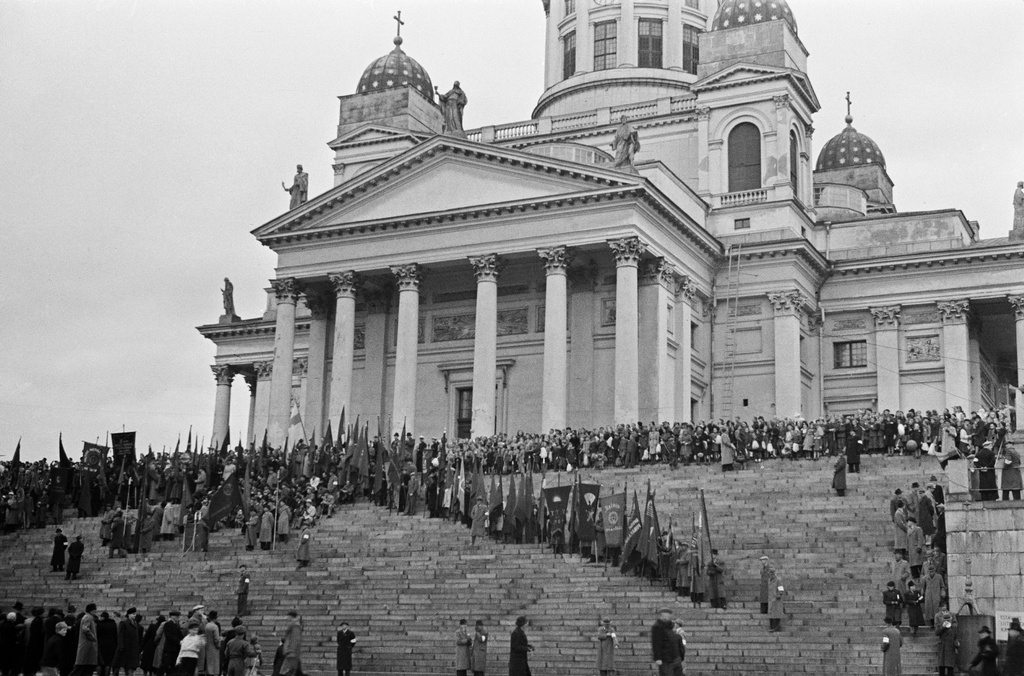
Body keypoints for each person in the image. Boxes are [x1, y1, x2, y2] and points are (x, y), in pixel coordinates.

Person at [650, 608, 682, 676]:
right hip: (665, 659)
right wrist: (658, 658)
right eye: (664, 616)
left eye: (667, 616)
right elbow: (656, 643)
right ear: (660, 616)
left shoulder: (672, 626)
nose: (666, 618)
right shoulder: (657, 627)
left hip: (675, 657)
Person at [71, 603, 99, 676]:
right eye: (94, 610)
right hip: (87, 645)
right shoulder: (88, 617)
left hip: (87, 646)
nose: (95, 611)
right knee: (82, 666)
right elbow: (85, 629)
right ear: (92, 610)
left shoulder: (88, 617)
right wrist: (93, 637)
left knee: (85, 667)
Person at [934, 609, 958, 676]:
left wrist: (956, 643)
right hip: (942, 648)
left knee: (950, 668)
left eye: (948, 619)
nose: (947, 620)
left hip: (950, 648)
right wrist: (943, 627)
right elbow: (937, 632)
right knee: (942, 668)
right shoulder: (941, 626)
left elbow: (956, 636)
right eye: (945, 619)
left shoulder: (953, 627)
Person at [279, 612, 302, 676]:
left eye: (289, 620)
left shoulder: (295, 628)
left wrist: (291, 652)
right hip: (291, 654)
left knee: (285, 673)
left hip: (291, 654)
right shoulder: (293, 627)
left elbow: (295, 641)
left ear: (293, 618)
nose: (288, 622)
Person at [203, 612, 221, 676]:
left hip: (207, 647)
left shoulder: (206, 625)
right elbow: (216, 639)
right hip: (214, 648)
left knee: (209, 666)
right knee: (214, 666)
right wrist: (219, 645)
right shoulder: (215, 626)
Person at [767, 568, 785, 632]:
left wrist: (779, 595)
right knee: (771, 613)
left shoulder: (778, 580)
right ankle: (772, 627)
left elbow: (781, 589)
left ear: (774, 574)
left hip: (776, 600)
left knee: (777, 614)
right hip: (770, 599)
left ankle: (776, 627)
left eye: (771, 574)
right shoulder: (769, 580)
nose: (770, 575)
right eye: (769, 574)